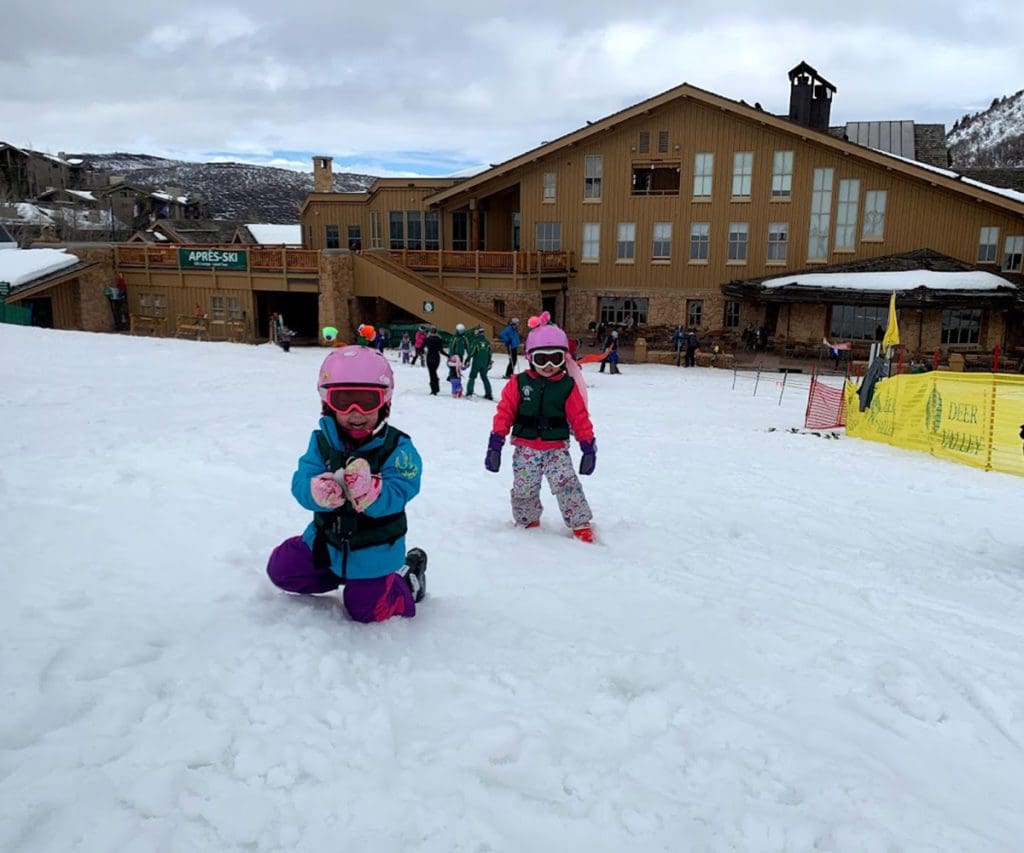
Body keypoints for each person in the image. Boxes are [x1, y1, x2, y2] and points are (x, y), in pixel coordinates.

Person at [266, 347, 426, 622]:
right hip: (326, 545)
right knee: (281, 569)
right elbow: (301, 480)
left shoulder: (396, 446)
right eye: (344, 401)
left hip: (373, 551)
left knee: (364, 610)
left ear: (384, 401)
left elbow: (403, 488)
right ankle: (340, 574)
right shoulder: (321, 442)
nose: (356, 413)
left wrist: (375, 494)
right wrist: (316, 491)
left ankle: (405, 579)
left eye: (367, 401)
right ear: (328, 403)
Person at [484, 312, 597, 543]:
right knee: (524, 487)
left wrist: (588, 446)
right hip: (526, 447)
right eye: (541, 359)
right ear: (530, 357)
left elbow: (579, 417)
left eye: (554, 359)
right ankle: (527, 519)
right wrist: (495, 443)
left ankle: (579, 521)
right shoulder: (519, 383)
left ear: (563, 358)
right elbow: (504, 413)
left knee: (567, 484)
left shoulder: (567, 386)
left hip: (556, 448)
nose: (548, 366)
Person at [465, 326, 494, 400]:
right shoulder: (487, 342)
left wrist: (467, 359)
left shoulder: (475, 342)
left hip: (476, 362)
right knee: (484, 377)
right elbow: (490, 353)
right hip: (485, 363)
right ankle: (489, 393)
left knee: (472, 377)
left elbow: (471, 352)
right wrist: (489, 363)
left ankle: (469, 392)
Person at [423, 326, 447, 396]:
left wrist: (421, 353)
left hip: (429, 357)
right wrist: (448, 356)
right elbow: (441, 351)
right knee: (434, 372)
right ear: (437, 332)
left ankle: (434, 390)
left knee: (432, 373)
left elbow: (422, 348)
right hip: (436, 358)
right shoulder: (439, 339)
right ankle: (436, 387)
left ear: (430, 332)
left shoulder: (427, 339)